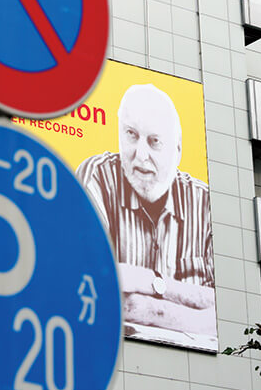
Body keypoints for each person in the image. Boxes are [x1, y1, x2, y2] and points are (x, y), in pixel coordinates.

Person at [76, 83, 217, 349]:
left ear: (177, 150)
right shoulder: (97, 176)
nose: (140, 155)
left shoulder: (205, 203)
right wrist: (190, 303)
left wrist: (148, 298)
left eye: (154, 141)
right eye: (131, 134)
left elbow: (225, 315)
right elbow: (89, 284)